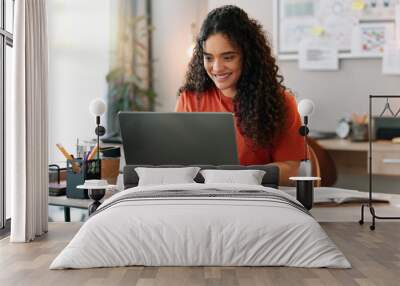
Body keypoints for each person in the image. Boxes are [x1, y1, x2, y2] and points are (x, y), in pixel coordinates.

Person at [175, 5, 305, 186]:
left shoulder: (281, 102)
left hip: (257, 200)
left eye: (228, 57)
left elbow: (290, 170)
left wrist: (238, 176)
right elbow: (177, 163)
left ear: (248, 56)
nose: (217, 68)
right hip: (201, 199)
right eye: (209, 57)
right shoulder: (190, 99)